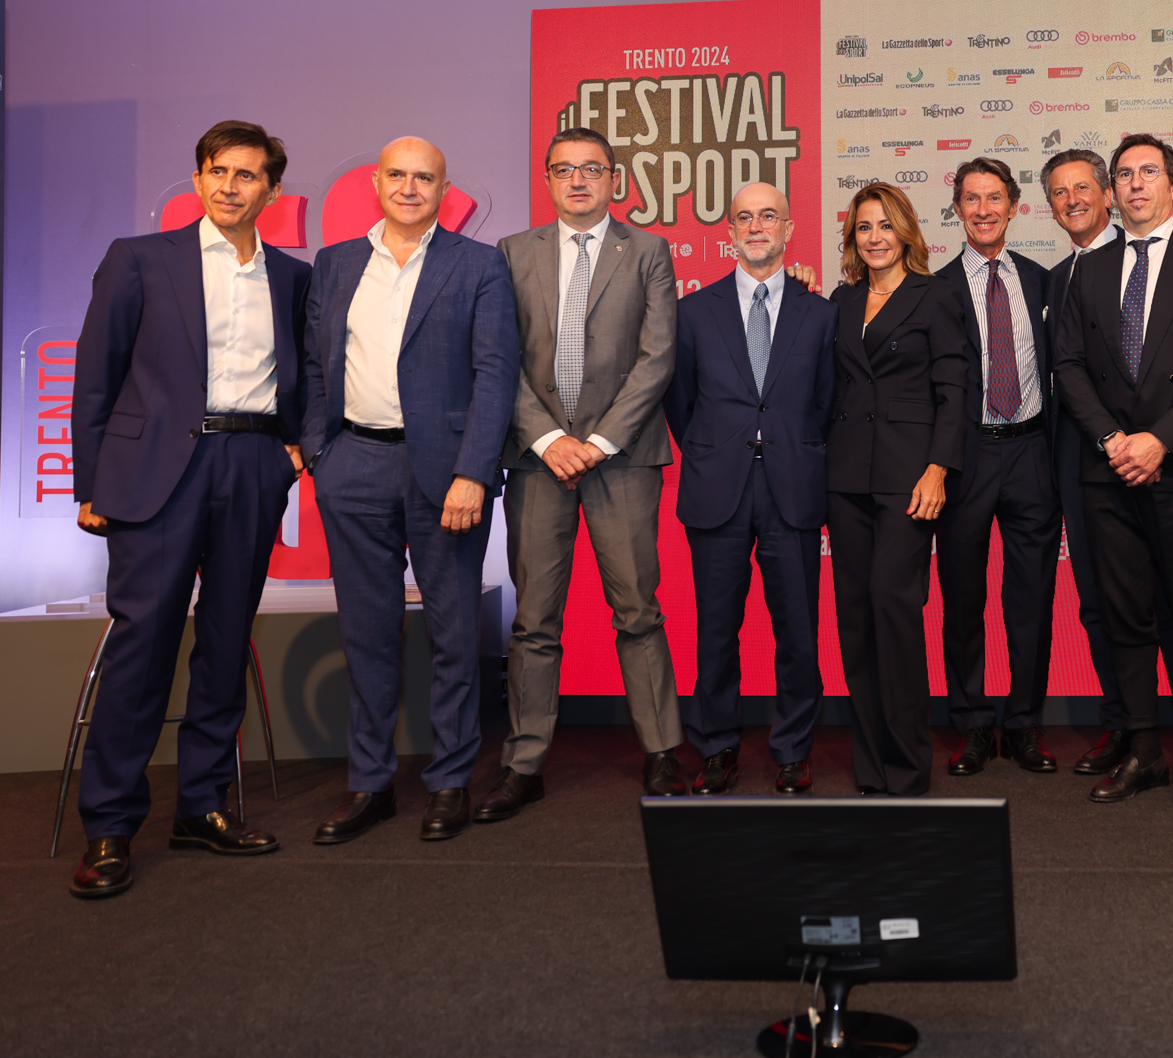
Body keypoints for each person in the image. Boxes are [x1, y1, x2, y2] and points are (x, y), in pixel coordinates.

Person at [66, 121, 311, 899]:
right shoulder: (139, 259)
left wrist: (293, 452)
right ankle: (109, 825)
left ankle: (202, 806)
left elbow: (306, 373)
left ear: (271, 189)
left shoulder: (292, 277)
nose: (230, 186)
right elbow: (96, 375)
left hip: (252, 464)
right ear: (199, 178)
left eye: (247, 175)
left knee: (226, 643)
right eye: (217, 171)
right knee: (143, 646)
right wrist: (89, 483)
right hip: (154, 474)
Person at [302, 137, 521, 845]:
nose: (409, 187)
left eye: (424, 177)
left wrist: (473, 472)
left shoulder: (479, 264)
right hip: (353, 466)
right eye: (397, 174)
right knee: (366, 636)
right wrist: (320, 453)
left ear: (443, 190)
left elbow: (495, 375)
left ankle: (449, 780)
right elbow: (315, 365)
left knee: (454, 636)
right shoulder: (336, 263)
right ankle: (369, 784)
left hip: (446, 474)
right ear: (376, 182)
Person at [478, 127, 684, 822]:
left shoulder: (647, 252)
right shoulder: (512, 252)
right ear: (546, 179)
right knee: (534, 620)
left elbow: (656, 359)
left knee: (638, 611)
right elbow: (498, 358)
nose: (577, 181)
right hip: (538, 462)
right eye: (563, 169)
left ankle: (662, 751)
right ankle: (523, 764)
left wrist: (595, 443)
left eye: (591, 169)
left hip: (621, 458)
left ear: (613, 180)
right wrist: (546, 439)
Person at [1053, 133, 1173, 811]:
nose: (1135, 184)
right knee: (1124, 618)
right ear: (1112, 192)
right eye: (1124, 174)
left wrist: (1160, 439)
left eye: (1148, 172)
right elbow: (1069, 365)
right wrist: (1112, 440)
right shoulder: (1089, 269)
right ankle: (1143, 751)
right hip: (1108, 473)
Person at [665, 181, 836, 795]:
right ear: (730, 232)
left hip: (793, 487)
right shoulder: (693, 312)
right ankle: (716, 747)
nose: (757, 226)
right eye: (745, 217)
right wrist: (717, 449)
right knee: (715, 630)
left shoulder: (821, 313)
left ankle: (793, 749)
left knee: (798, 631)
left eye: (769, 216)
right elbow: (681, 404)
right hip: (718, 490)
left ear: (789, 229)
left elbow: (826, 403)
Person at [825, 183, 970, 796]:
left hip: (909, 479)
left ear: (906, 231)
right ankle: (872, 765)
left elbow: (955, 391)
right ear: (852, 238)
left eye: (886, 225)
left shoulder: (935, 296)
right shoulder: (840, 300)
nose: (875, 237)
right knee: (855, 620)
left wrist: (938, 469)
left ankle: (908, 768)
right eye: (864, 227)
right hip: (845, 478)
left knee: (893, 605)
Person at [934, 157, 1059, 776]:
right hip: (966, 457)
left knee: (1032, 598)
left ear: (1014, 206)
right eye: (971, 199)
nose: (982, 210)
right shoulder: (932, 289)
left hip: (1032, 452)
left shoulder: (1042, 281)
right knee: (962, 598)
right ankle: (973, 724)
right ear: (957, 208)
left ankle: (1024, 723)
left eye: (993, 199)